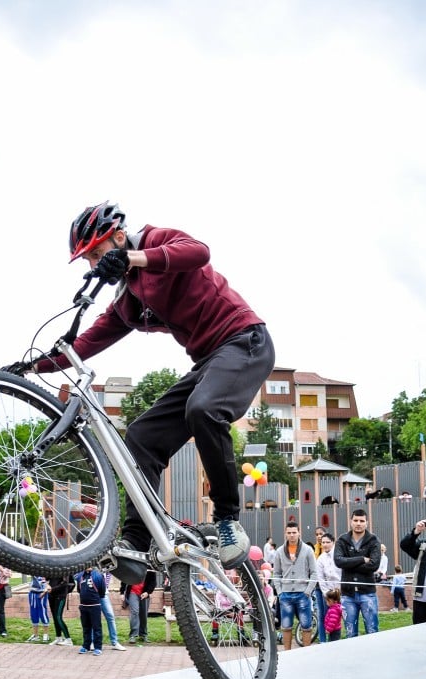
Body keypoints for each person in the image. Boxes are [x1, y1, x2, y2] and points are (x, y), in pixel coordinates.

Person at [30, 202, 276, 582]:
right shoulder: (129, 303)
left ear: (117, 235)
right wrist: (28, 367)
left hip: (245, 341)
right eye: (89, 261)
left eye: (98, 254)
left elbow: (199, 252)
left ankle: (228, 519)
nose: (95, 264)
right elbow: (84, 342)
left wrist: (135, 256)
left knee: (203, 409)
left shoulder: (158, 240)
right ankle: (136, 541)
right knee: (142, 436)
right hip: (209, 361)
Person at [333, 509, 381, 637]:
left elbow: (374, 565)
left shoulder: (373, 540)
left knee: (372, 632)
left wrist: (349, 564)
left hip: (368, 593)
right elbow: (338, 561)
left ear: (367, 523)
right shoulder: (342, 540)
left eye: (361, 521)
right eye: (355, 520)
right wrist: (361, 559)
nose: (358, 523)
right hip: (348, 595)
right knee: (350, 634)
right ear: (350, 521)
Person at [272, 522, 317, 650]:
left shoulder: (308, 550)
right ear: (285, 533)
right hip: (285, 594)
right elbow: (276, 573)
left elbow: (314, 573)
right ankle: (287, 653)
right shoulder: (280, 551)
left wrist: (308, 591)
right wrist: (279, 592)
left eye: (294, 532)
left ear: (299, 533)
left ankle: (306, 651)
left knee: (306, 624)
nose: (292, 535)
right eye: (289, 533)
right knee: (286, 625)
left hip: (303, 593)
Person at [400, 519, 426, 624]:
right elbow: (404, 545)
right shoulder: (423, 545)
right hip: (421, 600)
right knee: (420, 633)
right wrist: (416, 531)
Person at [315, 532, 341, 644]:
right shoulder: (320, 559)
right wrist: (327, 594)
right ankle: (323, 641)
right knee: (325, 616)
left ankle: (335, 640)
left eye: (327, 542)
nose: (325, 544)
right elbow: (320, 578)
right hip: (327, 593)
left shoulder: (339, 554)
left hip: (340, 591)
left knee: (337, 617)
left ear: (333, 542)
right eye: (323, 542)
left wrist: (339, 592)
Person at [75, 564, 106, 656]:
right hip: (83, 605)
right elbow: (79, 590)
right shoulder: (80, 576)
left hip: (95, 605)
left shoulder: (98, 575)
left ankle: (98, 647)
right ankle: (86, 646)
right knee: (86, 627)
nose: (87, 566)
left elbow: (102, 590)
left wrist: (96, 598)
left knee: (97, 627)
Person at [123, 570, 157, 645]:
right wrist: (122, 592)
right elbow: (124, 578)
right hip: (132, 592)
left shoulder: (150, 568)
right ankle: (133, 635)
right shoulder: (132, 566)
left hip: (144, 593)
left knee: (143, 614)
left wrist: (147, 592)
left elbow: (153, 582)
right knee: (135, 612)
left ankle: (143, 635)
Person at [101, 570, 126, 650]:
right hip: (92, 594)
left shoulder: (106, 565)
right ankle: (93, 642)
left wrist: (105, 588)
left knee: (110, 617)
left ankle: (114, 642)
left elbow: (108, 575)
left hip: (103, 594)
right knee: (94, 619)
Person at [47, 574, 74, 646]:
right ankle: (58, 637)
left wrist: (53, 589)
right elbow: (47, 578)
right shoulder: (52, 568)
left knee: (58, 617)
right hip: (52, 595)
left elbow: (65, 584)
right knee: (55, 618)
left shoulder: (65, 569)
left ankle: (68, 639)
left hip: (60, 596)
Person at [27, 574, 51, 643]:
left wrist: (44, 592)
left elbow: (48, 584)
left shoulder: (45, 570)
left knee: (43, 613)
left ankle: (46, 635)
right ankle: (35, 635)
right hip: (32, 593)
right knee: (33, 614)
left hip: (41, 593)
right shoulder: (33, 570)